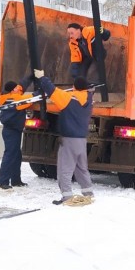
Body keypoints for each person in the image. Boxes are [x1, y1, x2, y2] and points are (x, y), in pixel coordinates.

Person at [33, 69, 94, 205]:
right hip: (81, 140)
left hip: (69, 139)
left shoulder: (68, 99)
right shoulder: (89, 100)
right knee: (81, 168)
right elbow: (87, 90)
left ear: (74, 87)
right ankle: (88, 194)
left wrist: (42, 77)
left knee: (64, 169)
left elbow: (52, 90)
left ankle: (66, 197)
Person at [0, 75, 35, 190]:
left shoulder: (4, 97)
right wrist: (40, 90)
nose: (19, 89)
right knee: (10, 155)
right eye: (16, 88)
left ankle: (16, 180)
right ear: (13, 90)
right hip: (12, 131)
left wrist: (31, 77)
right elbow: (31, 99)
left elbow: (21, 85)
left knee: (16, 155)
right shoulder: (16, 100)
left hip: (10, 130)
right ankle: (2, 182)